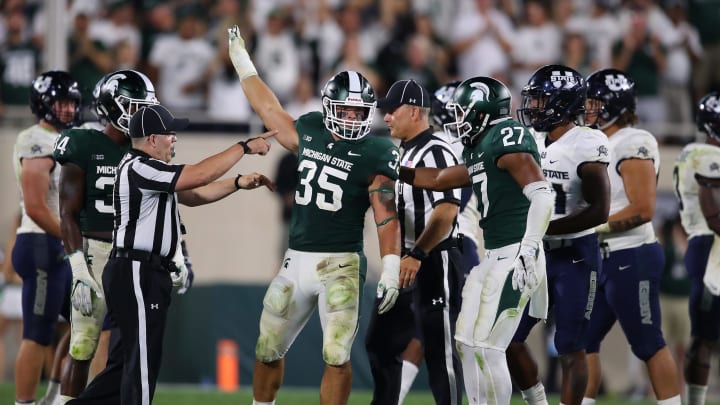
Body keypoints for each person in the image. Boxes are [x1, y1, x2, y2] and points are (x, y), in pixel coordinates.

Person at [228, 25, 404, 405]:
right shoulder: (308, 130)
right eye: (348, 109)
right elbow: (269, 108)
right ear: (329, 107)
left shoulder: (376, 151)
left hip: (341, 263)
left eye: (361, 111)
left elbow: (385, 213)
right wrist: (243, 62)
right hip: (296, 259)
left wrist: (390, 265)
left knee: (337, 354)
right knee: (267, 347)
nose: (355, 117)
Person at [68, 104, 275, 404]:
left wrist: (238, 183)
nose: (175, 138)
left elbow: (194, 195)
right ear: (152, 139)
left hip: (143, 271)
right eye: (169, 133)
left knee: (122, 367)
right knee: (142, 364)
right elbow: (199, 176)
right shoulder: (139, 166)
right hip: (136, 271)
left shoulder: (150, 169)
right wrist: (243, 147)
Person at [397, 75, 554, 405]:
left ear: (482, 111)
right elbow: (439, 178)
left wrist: (528, 246)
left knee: (487, 346)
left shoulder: (505, 136)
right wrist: (396, 168)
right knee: (466, 342)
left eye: (463, 111)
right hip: (495, 255)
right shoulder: (481, 146)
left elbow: (542, 195)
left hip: (517, 253)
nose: (458, 119)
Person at [52, 69, 160, 403]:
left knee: (134, 346)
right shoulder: (82, 143)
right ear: (110, 106)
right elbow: (67, 213)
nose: (139, 115)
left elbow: (162, 204)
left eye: (143, 107)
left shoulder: (145, 148)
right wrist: (79, 271)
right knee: (82, 344)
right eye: (132, 106)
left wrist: (179, 253)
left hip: (133, 254)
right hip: (94, 252)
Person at [506, 64, 611, 405]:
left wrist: (543, 228)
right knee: (507, 336)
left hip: (575, 254)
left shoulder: (588, 142)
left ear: (562, 102)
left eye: (539, 100)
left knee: (571, 346)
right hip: (534, 253)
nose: (532, 107)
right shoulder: (531, 138)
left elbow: (599, 209)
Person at [581, 68, 682, 405]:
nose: (588, 109)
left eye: (595, 102)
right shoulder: (600, 142)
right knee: (582, 342)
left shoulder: (633, 141)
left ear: (613, 105)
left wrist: (590, 226)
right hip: (602, 257)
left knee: (648, 342)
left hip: (631, 255)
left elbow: (642, 208)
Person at [364, 79, 464, 405]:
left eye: (393, 110)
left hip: (435, 259)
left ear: (416, 111)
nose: (387, 117)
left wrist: (418, 253)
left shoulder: (436, 149)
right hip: (407, 260)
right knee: (379, 344)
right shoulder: (404, 152)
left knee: (440, 353)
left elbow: (447, 209)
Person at [396, 81, 485, 404]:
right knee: (446, 333)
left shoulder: (442, 146)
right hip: (454, 241)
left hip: (448, 242)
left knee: (445, 334)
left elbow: (448, 202)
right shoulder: (460, 145)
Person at [11, 70, 80, 405]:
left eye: (71, 102)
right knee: (38, 333)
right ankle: (23, 403)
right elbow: (38, 208)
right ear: (43, 104)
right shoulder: (35, 139)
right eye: (61, 102)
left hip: (60, 245)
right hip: (41, 242)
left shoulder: (71, 136)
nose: (67, 109)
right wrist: (73, 242)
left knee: (86, 323)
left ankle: (55, 398)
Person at [672, 91, 720, 405]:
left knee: (704, 337)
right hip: (710, 248)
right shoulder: (702, 154)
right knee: (703, 336)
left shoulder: (694, 152)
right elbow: (715, 215)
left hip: (705, 246)